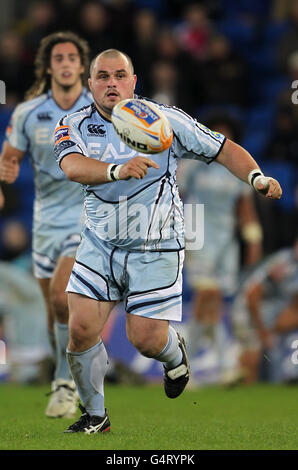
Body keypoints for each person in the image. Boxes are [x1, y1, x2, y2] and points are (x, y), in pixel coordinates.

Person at [54, 48, 282, 434]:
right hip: (100, 242)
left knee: (143, 338)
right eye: (103, 76)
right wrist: (117, 169)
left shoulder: (166, 120)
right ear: (90, 83)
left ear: (133, 80)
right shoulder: (73, 123)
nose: (112, 83)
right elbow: (71, 166)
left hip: (155, 245)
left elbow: (223, 148)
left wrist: (256, 178)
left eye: (120, 75)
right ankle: (96, 416)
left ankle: (174, 353)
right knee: (79, 329)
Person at [0, 31, 92, 418]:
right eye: (59, 58)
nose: (66, 63)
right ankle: (69, 376)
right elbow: (9, 159)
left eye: (73, 57)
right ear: (49, 66)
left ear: (82, 66)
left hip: (88, 217)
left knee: (61, 295)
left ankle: (65, 383)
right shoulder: (28, 113)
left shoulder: (104, 110)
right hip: (44, 222)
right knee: (55, 311)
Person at [177, 112, 263, 385]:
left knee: (212, 303)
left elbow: (245, 211)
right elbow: (174, 196)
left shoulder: (238, 169)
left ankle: (186, 369)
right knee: (207, 295)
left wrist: (254, 243)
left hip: (226, 243)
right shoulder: (191, 164)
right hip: (197, 234)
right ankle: (220, 365)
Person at [231, 234, 298, 384]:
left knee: (257, 359)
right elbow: (252, 294)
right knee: (251, 358)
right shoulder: (285, 263)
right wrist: (262, 331)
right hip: (247, 311)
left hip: (265, 313)